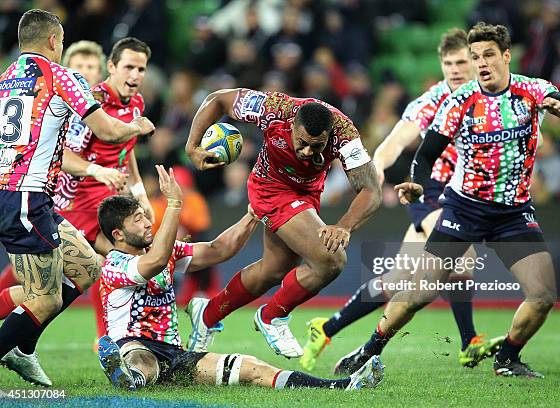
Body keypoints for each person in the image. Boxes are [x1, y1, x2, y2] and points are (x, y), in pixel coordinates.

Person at [332, 22, 560, 378]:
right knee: (418, 293)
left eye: (488, 55)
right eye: (475, 56)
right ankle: (369, 348)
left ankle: (508, 358)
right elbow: (426, 155)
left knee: (543, 296)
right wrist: (417, 185)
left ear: (506, 56)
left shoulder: (532, 90)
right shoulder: (460, 101)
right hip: (464, 209)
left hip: (514, 213)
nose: (481, 63)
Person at [300, 28, 504, 372]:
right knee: (462, 253)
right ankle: (469, 341)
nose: (454, 69)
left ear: (475, 61)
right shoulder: (432, 101)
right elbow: (394, 143)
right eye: (447, 62)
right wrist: (376, 172)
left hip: (468, 195)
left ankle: (327, 327)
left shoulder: (492, 98)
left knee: (397, 283)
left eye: (460, 61)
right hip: (434, 195)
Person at [96, 165, 383, 392]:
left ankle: (343, 386)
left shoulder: (162, 251)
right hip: (133, 344)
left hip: (175, 355)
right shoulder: (116, 265)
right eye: (138, 219)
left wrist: (252, 215)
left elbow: (219, 249)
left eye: (144, 216)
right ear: (118, 235)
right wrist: (173, 205)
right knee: (140, 359)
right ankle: (129, 377)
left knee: (254, 368)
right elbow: (155, 261)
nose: (147, 221)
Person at [0, 9, 154, 386]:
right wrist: (138, 126)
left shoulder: (4, 79)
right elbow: (108, 131)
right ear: (54, 41)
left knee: (88, 267)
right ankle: (15, 345)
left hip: (31, 198)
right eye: (63, 42)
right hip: (24, 196)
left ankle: (21, 349)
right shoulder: (61, 75)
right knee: (45, 299)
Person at [184, 88, 381, 358]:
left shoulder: (345, 135)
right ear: (292, 126)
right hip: (270, 188)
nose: (307, 151)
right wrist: (191, 146)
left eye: (317, 145)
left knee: (273, 271)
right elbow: (218, 99)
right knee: (331, 260)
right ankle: (272, 316)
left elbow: (372, 191)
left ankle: (206, 314)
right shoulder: (274, 109)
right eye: (302, 141)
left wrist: (344, 225)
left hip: (307, 194)